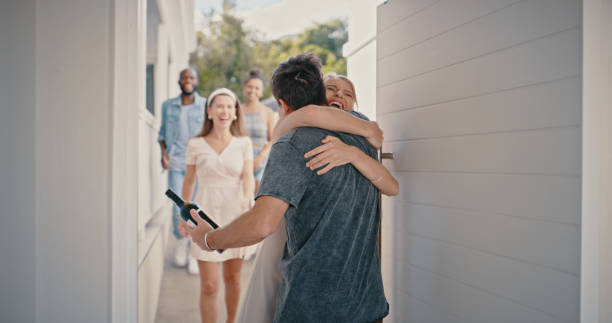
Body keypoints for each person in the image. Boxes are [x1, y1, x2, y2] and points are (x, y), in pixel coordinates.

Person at [185, 53, 389, 322]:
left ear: (281, 103)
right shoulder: (363, 138)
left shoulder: (292, 145)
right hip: (367, 305)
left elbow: (261, 225)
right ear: (320, 92)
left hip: (313, 309)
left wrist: (209, 239)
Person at [236, 73, 398, 323]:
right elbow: (301, 118)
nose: (339, 95)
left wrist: (352, 154)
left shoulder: (360, 137)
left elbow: (391, 186)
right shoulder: (299, 132)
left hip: (357, 293)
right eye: (331, 88)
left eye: (348, 94)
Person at [178, 88, 255, 323]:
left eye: (229, 106)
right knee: (210, 285)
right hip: (205, 215)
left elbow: (248, 177)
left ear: (235, 113)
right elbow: (189, 180)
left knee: (233, 279)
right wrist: (183, 216)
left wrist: (247, 199)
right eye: (219, 106)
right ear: (209, 111)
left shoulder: (244, 143)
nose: (225, 111)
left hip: (236, 215)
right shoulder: (196, 144)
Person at [158, 68, 206, 274]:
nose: (188, 80)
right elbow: (162, 134)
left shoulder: (204, 105)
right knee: (179, 207)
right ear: (179, 81)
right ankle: (180, 242)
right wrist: (163, 154)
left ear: (196, 81)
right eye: (185, 77)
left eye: (192, 77)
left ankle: (193, 251)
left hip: (198, 165)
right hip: (176, 165)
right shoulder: (168, 106)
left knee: (196, 208)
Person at [242, 69, 276, 194]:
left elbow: (273, 139)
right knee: (243, 196)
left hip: (262, 158)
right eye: (250, 87)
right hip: (241, 157)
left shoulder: (267, 112)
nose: (252, 91)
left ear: (261, 91)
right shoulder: (237, 110)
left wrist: (259, 158)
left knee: (258, 195)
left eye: (257, 88)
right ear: (244, 88)